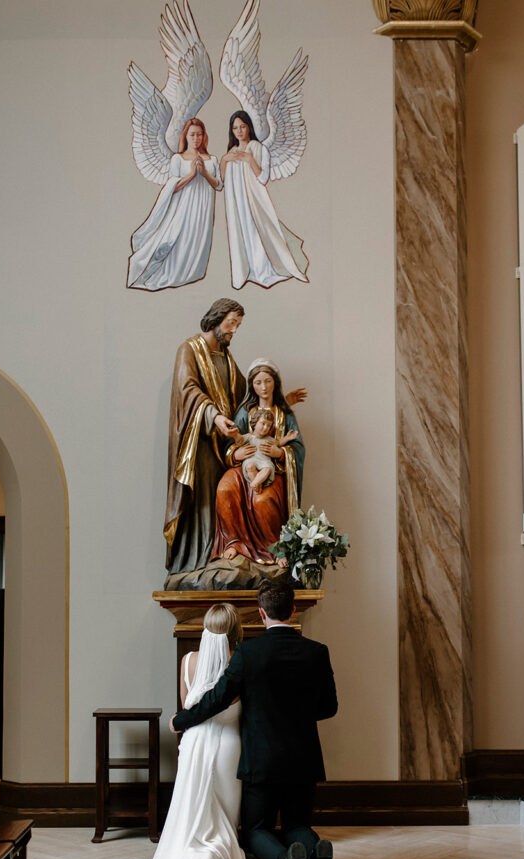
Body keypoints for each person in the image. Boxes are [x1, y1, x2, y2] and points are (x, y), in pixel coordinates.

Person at [90, 604, 278, 859]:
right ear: (237, 630)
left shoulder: (188, 662)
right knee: (224, 818)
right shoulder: (241, 663)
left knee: (192, 815)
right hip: (228, 747)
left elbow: (187, 706)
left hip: (192, 745)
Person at [171, 579, 338, 859]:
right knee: (297, 826)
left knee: (256, 829)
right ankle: (317, 854)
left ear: (261, 614)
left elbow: (217, 700)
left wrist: (182, 720)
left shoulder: (249, 653)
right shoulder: (317, 651)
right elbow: (329, 707)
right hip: (303, 758)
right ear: (292, 610)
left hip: (262, 761)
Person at [165, 298, 246, 576]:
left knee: (223, 495)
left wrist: (278, 399)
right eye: (231, 322)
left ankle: (220, 551)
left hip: (222, 442)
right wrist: (214, 417)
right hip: (198, 441)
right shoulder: (189, 349)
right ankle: (195, 561)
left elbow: (240, 395)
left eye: (238, 325)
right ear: (216, 318)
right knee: (202, 497)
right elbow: (187, 388)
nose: (234, 330)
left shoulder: (225, 356)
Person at [212, 358, 305, 565]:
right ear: (252, 386)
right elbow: (230, 440)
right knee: (224, 489)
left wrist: (279, 452)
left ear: (276, 383)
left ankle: (276, 549)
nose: (263, 387)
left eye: (268, 381)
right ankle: (233, 542)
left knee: (261, 501)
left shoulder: (284, 414)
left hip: (272, 470)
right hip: (244, 466)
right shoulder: (246, 411)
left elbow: (298, 447)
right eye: (258, 382)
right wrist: (235, 454)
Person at [127, 118, 222, 291]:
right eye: (192, 134)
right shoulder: (178, 159)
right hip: (183, 208)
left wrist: (204, 173)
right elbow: (173, 187)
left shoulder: (212, 159)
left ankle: (191, 274)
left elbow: (219, 185)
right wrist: (192, 174)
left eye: (199, 134)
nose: (196, 138)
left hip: (203, 209)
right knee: (175, 239)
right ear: (185, 136)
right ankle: (168, 272)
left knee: (196, 240)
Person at [220, 110, 308, 290]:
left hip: (254, 201)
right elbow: (223, 181)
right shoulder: (232, 151)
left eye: (242, 127)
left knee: (259, 232)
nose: (239, 131)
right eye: (235, 128)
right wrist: (224, 161)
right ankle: (249, 269)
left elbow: (262, 178)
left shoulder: (258, 148)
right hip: (238, 202)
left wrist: (250, 159)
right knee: (243, 233)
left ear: (248, 127)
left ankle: (263, 269)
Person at [240, 407, 298, 493]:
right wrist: (234, 435)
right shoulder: (249, 437)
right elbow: (239, 439)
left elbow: (278, 443)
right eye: (263, 423)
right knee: (249, 466)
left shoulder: (269, 439)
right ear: (255, 423)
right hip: (252, 460)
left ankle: (256, 483)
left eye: (268, 426)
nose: (265, 428)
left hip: (264, 462)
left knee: (267, 469)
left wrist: (287, 438)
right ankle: (257, 486)